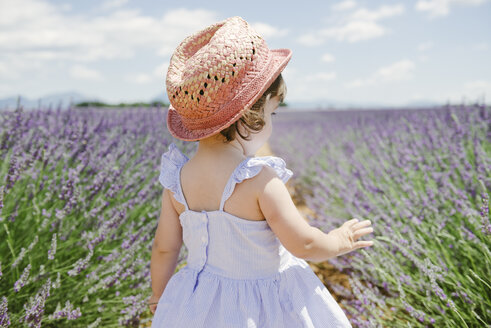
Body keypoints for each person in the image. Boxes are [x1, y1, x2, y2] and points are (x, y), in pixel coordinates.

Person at [148, 16, 374, 327]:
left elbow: (165, 247)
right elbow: (304, 244)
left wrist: (161, 299)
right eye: (272, 112)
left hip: (196, 303)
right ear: (249, 117)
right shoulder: (259, 179)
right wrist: (339, 240)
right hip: (261, 306)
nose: (272, 121)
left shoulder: (176, 181)